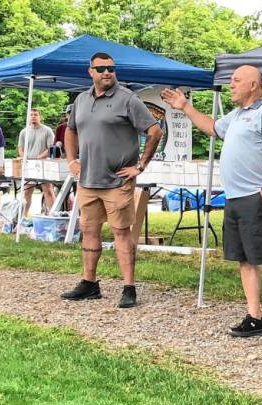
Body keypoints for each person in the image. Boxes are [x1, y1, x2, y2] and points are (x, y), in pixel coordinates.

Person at [160, 65, 262, 344]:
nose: (231, 85)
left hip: (254, 198)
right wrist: (184, 106)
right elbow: (211, 127)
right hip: (233, 198)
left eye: (236, 80)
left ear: (254, 84)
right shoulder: (236, 116)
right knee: (245, 260)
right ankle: (255, 317)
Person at [59, 52, 163, 308]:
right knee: (89, 231)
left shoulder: (127, 98)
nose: (107, 73)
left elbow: (155, 130)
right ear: (90, 71)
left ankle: (129, 287)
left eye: (111, 68)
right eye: (102, 68)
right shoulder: (81, 100)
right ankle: (89, 283)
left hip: (117, 181)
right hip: (88, 181)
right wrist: (71, 160)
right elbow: (70, 130)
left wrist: (140, 165)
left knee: (121, 232)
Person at [18, 109, 56, 216]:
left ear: (40, 117)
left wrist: (40, 156)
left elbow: (51, 148)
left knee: (48, 190)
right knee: (27, 192)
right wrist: (24, 157)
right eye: (31, 115)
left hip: (43, 165)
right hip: (29, 166)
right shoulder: (24, 132)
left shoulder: (47, 130)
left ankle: (53, 215)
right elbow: (20, 148)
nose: (33, 117)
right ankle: (23, 217)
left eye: (35, 115)